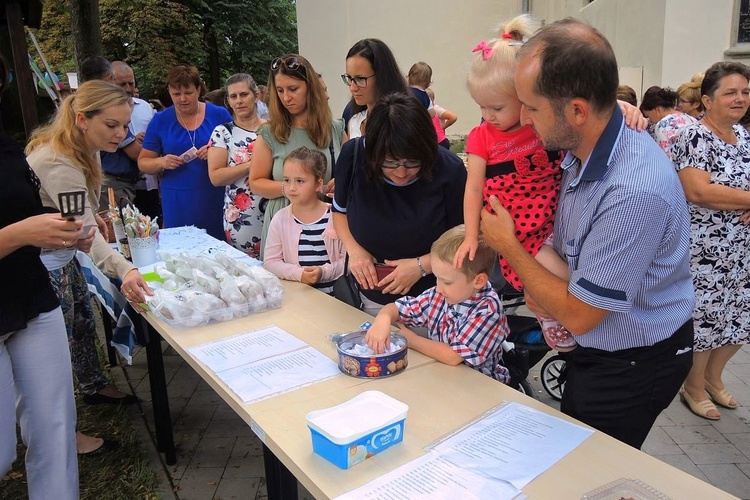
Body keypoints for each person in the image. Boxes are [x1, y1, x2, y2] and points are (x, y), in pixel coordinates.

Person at [481, 18, 695, 449]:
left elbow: (580, 314)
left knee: (595, 464)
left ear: (578, 110)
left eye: (532, 108)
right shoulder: (588, 135)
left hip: (630, 361)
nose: (521, 119)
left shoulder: (633, 191)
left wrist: (510, 246)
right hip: (599, 348)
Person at [26, 80, 153, 456]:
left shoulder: (87, 147)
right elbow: (84, 229)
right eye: (111, 125)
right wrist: (125, 269)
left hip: (62, 258)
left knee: (82, 325)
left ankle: (94, 386)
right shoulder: (57, 160)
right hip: (42, 265)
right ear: (82, 119)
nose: (121, 134)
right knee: (54, 354)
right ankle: (63, 437)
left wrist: (93, 222)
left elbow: (82, 217)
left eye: (125, 125)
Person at [455, 14, 576, 352]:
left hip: (555, 216)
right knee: (562, 281)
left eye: (496, 106)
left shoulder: (540, 122)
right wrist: (469, 235)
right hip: (523, 231)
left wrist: (623, 107)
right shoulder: (482, 136)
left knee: (556, 278)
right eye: (481, 106)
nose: (488, 115)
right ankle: (556, 325)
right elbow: (473, 189)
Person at [0, 54, 79, 498]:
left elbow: (26, 217)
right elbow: (17, 228)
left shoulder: (8, 147)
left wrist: (57, 230)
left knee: (54, 425)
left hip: (31, 297)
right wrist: (21, 233)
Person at [332, 93, 466, 316]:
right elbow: (339, 211)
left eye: (412, 162)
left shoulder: (449, 169)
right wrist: (355, 251)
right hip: (368, 297)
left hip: (435, 300)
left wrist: (421, 266)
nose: (402, 173)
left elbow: (465, 239)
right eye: (390, 163)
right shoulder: (353, 155)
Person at [672, 61, 750, 421]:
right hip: (706, 250)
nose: (740, 99)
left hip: (743, 249)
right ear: (707, 99)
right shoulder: (695, 136)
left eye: (745, 92)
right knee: (705, 321)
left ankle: (713, 379)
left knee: (738, 319)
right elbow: (698, 191)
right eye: (730, 92)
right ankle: (693, 387)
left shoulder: (746, 138)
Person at [365, 225, 510, 382]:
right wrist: (383, 320)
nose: (438, 288)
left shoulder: (488, 310)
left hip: (481, 386)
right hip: (443, 376)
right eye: (437, 278)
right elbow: (397, 309)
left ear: (478, 280)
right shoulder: (440, 294)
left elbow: (453, 356)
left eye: (446, 282)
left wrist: (411, 339)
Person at [248, 54, 344, 258]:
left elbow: (353, 175)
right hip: (284, 222)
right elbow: (255, 183)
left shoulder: (335, 129)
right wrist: (292, 188)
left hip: (327, 224)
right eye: (280, 90)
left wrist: (342, 183)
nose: (286, 98)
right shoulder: (270, 132)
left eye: (293, 89)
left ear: (311, 88)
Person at [138, 65, 232, 239]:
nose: (182, 99)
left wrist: (217, 151)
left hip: (214, 194)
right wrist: (161, 162)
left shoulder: (219, 115)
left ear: (198, 90)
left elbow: (238, 150)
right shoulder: (160, 120)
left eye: (188, 93)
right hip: (177, 198)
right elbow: (143, 162)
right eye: (176, 94)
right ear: (169, 93)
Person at [263, 147, 345, 293]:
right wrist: (299, 274)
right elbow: (270, 262)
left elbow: (348, 261)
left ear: (318, 184)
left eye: (300, 181)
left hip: (335, 300)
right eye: (287, 180)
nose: (292, 188)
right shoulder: (280, 219)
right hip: (299, 300)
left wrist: (323, 272)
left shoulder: (336, 216)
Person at [208, 73, 266, 258]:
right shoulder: (223, 133)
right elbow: (216, 177)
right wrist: (251, 165)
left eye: (244, 95)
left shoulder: (274, 129)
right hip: (241, 216)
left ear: (256, 96)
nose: (239, 101)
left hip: (274, 210)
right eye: (233, 96)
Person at [111, 61, 160, 220]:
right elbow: (134, 153)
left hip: (150, 185)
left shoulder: (145, 107)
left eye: (131, 83)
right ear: (110, 81)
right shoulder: (105, 112)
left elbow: (158, 140)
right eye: (122, 84)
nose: (127, 88)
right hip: (122, 185)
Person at [341, 39, 410, 138]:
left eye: (360, 79)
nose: (352, 88)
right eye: (349, 78)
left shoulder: (406, 122)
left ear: (382, 77)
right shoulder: (354, 121)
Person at [639, 86, 696, 160]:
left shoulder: (662, 126)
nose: (650, 120)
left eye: (648, 116)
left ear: (657, 110)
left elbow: (666, 159)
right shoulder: (691, 118)